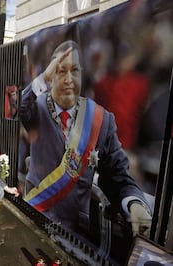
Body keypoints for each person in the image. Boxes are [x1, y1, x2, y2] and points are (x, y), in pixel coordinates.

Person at [19, 40, 152, 236]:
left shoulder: (101, 119)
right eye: (60, 71)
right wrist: (43, 79)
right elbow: (16, 110)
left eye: (74, 71)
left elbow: (116, 175)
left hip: (75, 231)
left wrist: (134, 202)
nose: (68, 79)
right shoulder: (35, 109)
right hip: (34, 217)